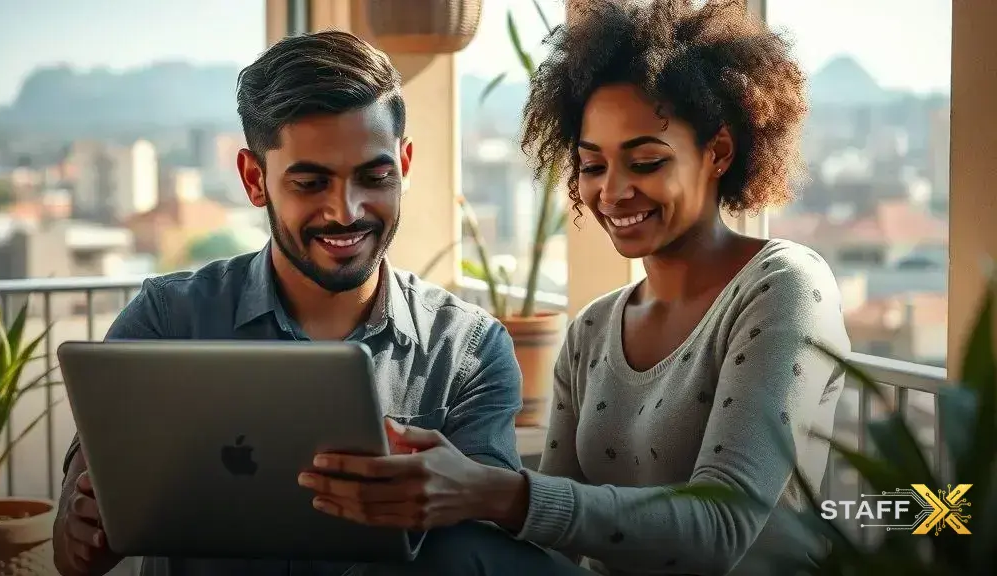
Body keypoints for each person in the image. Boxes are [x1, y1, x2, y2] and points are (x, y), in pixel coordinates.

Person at [307, 1, 851, 574]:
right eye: (592, 166)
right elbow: (555, 546)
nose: (612, 193)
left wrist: (492, 492)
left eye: (646, 162)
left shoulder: (783, 287)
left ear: (717, 152)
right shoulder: (593, 328)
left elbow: (721, 527)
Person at [52, 30, 589, 576]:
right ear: (254, 179)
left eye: (374, 177)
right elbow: (76, 537)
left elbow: (482, 554)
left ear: (404, 165)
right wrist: (80, 532)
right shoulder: (166, 321)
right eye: (310, 183)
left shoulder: (468, 351)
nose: (345, 211)